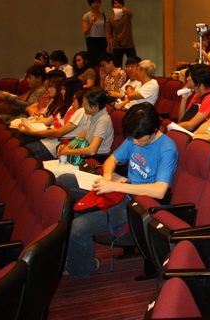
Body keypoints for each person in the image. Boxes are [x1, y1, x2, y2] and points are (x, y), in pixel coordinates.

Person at [64, 103, 178, 278]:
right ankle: (68, 248)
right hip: (120, 190)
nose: (135, 142)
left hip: (136, 204)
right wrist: (108, 177)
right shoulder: (135, 135)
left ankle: (83, 267)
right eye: (133, 138)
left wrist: (115, 186)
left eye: (139, 139)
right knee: (64, 181)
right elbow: (111, 160)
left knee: (77, 228)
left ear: (154, 130)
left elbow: (160, 191)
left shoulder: (167, 148)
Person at [21, 77, 86, 160]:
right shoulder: (67, 107)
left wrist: (32, 132)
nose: (61, 92)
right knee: (17, 142)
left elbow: (58, 133)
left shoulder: (81, 111)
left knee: (20, 153)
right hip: (47, 138)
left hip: (53, 144)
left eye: (63, 89)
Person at [56, 86, 115, 162]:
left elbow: (92, 150)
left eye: (85, 103)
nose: (82, 105)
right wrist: (66, 147)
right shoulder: (93, 115)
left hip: (95, 159)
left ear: (95, 107)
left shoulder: (103, 120)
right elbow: (79, 137)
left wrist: (68, 151)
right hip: (85, 155)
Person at [174, 64, 210, 132]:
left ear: (198, 80)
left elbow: (191, 126)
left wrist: (170, 127)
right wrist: (184, 99)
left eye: (190, 76)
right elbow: (182, 120)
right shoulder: (197, 95)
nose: (187, 78)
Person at [106, 0, 137, 69]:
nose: (117, 5)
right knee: (117, 65)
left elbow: (131, 13)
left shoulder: (126, 15)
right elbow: (109, 32)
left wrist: (124, 10)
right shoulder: (111, 18)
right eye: (115, 3)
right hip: (117, 45)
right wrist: (109, 45)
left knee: (133, 63)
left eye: (119, 3)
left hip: (128, 44)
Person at [82, 0, 107, 66]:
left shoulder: (104, 15)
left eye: (98, 2)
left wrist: (108, 43)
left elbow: (107, 30)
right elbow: (85, 32)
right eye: (94, 3)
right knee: (93, 61)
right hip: (92, 40)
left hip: (102, 39)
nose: (96, 4)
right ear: (90, 4)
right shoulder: (86, 16)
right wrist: (91, 22)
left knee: (103, 60)